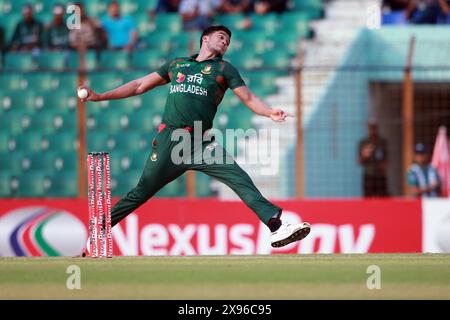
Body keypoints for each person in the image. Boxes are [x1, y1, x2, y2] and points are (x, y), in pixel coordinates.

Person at [78, 25, 311, 254]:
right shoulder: (177, 65)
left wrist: (268, 112)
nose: (225, 42)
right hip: (172, 139)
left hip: (201, 141)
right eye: (221, 37)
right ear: (205, 39)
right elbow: (139, 85)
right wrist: (100, 96)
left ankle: (276, 226)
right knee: (141, 192)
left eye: (228, 41)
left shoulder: (224, 69)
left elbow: (249, 98)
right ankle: (98, 232)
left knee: (238, 177)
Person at [358, 119, 388, 197]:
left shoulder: (382, 142)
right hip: (369, 175)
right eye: (371, 128)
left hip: (380, 176)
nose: (372, 130)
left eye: (374, 128)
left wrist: (383, 166)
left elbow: (386, 160)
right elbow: (359, 161)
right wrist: (364, 155)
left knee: (382, 197)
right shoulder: (364, 142)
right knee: (368, 197)